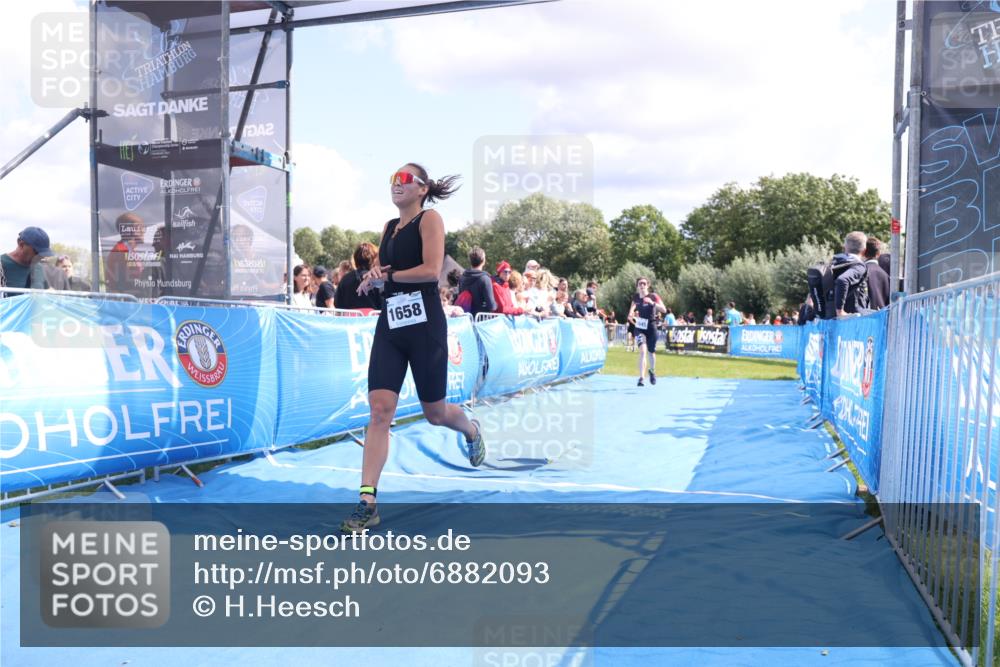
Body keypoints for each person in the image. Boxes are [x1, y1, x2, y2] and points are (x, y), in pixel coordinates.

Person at [346, 163, 484, 532]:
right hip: (391, 324)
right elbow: (385, 268)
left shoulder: (430, 219)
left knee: (434, 413)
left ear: (422, 189)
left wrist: (387, 274)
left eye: (404, 179)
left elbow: (430, 270)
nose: (396, 184)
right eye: (392, 178)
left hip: (425, 327)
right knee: (379, 411)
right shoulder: (390, 227)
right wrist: (374, 277)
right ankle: (367, 501)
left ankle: (470, 430)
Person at [627, 277, 666, 387]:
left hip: (651, 327)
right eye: (640, 283)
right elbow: (632, 308)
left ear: (648, 285)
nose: (642, 285)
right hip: (640, 328)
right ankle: (641, 378)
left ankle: (652, 371)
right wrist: (630, 314)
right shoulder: (635, 297)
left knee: (651, 351)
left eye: (644, 283)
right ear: (637, 286)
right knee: (643, 351)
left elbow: (664, 309)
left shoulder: (654, 296)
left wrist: (652, 303)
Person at [1, 227, 52, 291]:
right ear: (21, 244)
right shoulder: (1, 265)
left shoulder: (39, 269)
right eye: (37, 252)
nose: (41, 257)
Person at [336, 242, 382, 311]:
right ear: (374, 258)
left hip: (350, 320)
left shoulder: (345, 279)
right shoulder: (378, 278)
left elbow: (337, 304)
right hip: (374, 320)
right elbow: (383, 303)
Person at [834, 231, 870, 317]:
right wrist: (840, 311)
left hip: (831, 318)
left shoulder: (835, 263)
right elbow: (843, 280)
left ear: (845, 247)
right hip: (852, 318)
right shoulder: (859, 266)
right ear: (864, 251)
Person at [457, 246, 496, 316]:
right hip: (481, 321)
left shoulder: (462, 277)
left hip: (466, 318)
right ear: (483, 261)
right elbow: (492, 306)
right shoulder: (485, 279)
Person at [864, 237, 890, 310]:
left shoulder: (860, 271)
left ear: (863, 252)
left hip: (863, 317)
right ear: (878, 253)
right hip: (881, 317)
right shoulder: (885, 275)